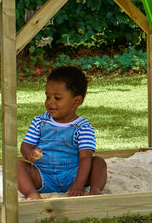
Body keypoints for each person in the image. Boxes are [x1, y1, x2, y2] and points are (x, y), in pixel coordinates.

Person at [17, 66, 107, 200]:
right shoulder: (39, 121)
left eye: (57, 98)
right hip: (42, 175)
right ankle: (31, 193)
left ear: (76, 101)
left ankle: (95, 190)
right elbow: (25, 146)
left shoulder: (82, 127)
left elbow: (85, 158)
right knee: (16, 166)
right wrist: (29, 154)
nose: (50, 102)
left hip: (73, 175)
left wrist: (78, 184)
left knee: (98, 162)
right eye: (48, 97)